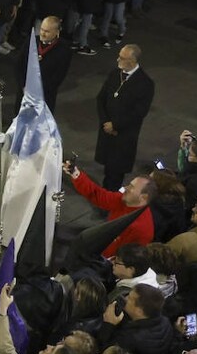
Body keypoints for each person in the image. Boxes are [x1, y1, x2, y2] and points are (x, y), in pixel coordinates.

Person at [95, 44, 155, 191]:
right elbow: (101, 98)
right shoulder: (115, 74)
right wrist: (105, 122)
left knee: (115, 173)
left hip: (124, 136)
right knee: (107, 169)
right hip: (107, 130)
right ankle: (104, 197)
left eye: (122, 58)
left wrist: (115, 125)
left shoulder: (145, 83)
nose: (118, 60)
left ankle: (109, 203)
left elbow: (139, 113)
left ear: (133, 60)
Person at [65, 164, 156, 257]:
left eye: (131, 187)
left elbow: (127, 259)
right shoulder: (125, 200)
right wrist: (76, 174)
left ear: (143, 197)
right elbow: (99, 196)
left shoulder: (142, 230)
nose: (125, 188)